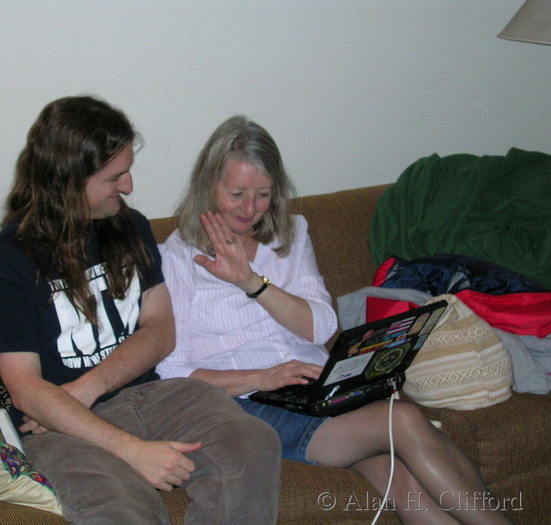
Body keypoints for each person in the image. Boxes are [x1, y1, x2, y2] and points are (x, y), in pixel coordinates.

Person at [157, 115, 514, 525]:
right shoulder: (177, 258)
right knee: (406, 420)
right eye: (236, 193)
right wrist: (263, 377)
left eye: (263, 194)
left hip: (319, 385)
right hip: (248, 405)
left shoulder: (289, 234)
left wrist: (252, 282)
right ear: (208, 186)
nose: (250, 209)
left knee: (398, 480)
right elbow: (172, 370)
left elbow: (322, 326)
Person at [0, 96, 281, 525]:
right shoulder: (8, 263)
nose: (129, 185)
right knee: (123, 511)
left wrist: (89, 386)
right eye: (115, 176)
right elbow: (26, 391)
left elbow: (160, 329)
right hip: (62, 428)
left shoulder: (129, 227)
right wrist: (131, 450)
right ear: (69, 179)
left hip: (152, 395)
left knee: (252, 441)